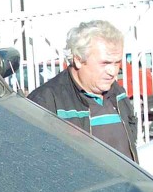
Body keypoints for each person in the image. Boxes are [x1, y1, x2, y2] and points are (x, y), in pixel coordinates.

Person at [28, 20, 138, 161]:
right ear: (78, 59)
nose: (113, 71)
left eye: (117, 62)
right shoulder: (46, 102)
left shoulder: (117, 92)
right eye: (105, 63)